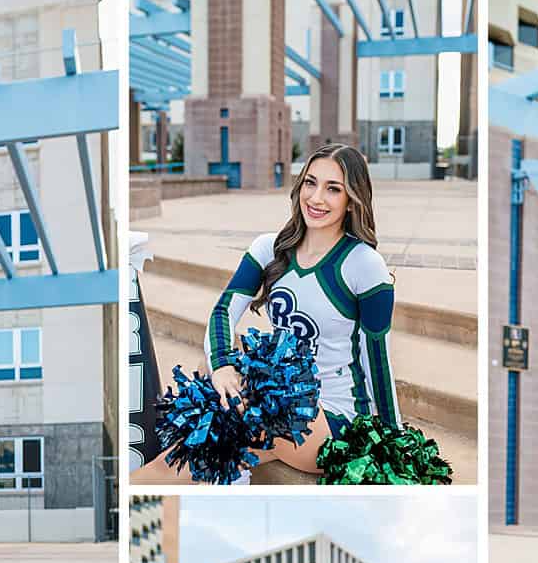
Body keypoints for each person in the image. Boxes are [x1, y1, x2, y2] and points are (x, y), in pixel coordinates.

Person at [138, 143, 397, 483]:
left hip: (332, 419)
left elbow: (377, 361)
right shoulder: (269, 248)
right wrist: (222, 367)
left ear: (352, 199)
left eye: (333, 189)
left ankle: (228, 471)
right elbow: (223, 313)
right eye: (310, 183)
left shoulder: (364, 264)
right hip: (274, 403)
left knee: (222, 429)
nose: (316, 198)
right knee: (206, 392)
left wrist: (395, 442)